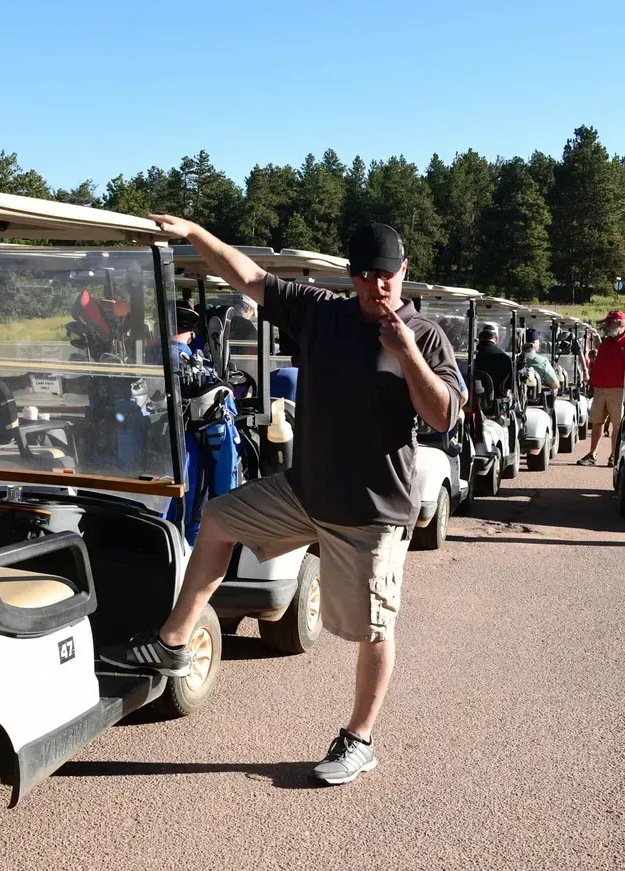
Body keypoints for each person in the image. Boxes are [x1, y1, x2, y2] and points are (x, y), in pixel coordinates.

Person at [101, 219, 463, 785]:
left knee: (372, 631)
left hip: (370, 513)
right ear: (351, 275)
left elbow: (442, 416)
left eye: (386, 276)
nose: (377, 287)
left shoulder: (427, 334)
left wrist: (407, 351)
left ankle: (359, 739)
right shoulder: (322, 313)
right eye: (366, 276)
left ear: (403, 272)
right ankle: (173, 641)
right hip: (305, 491)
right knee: (218, 518)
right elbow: (245, 275)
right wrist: (196, 233)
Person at [577, 310, 625, 467]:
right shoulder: (605, 343)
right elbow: (599, 365)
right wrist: (592, 384)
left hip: (619, 390)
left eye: (609, 323)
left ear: (619, 323)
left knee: (617, 425)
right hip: (600, 388)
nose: (607, 326)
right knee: (597, 422)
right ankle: (592, 454)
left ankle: (614, 456)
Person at [475, 324, 513, 398]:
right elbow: (507, 389)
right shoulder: (505, 358)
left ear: (479, 339)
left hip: (473, 399)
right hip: (497, 400)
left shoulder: (470, 355)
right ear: (496, 339)